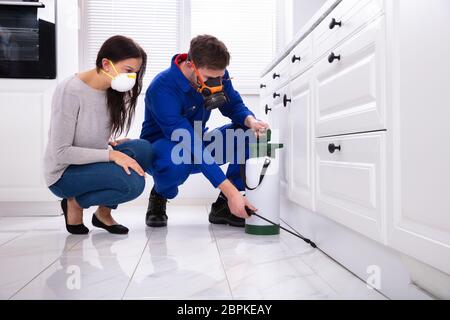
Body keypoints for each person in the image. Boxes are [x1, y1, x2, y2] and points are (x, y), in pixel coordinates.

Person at [140, 34, 270, 228]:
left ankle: (223, 208)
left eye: (221, 77)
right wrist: (230, 190)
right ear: (191, 65)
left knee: (250, 135)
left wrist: (251, 121)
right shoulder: (161, 88)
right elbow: (186, 140)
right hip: (166, 150)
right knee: (178, 158)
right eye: (210, 78)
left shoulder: (217, 73)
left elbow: (233, 105)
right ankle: (160, 193)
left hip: (198, 142)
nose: (218, 82)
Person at [43, 35, 152, 235]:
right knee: (133, 185)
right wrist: (112, 155)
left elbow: (88, 132)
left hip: (90, 162)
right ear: (106, 64)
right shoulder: (70, 91)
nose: (132, 78)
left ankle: (103, 214)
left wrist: (109, 146)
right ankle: (75, 202)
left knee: (144, 149)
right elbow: (61, 152)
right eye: (128, 71)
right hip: (64, 173)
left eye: (135, 73)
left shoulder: (113, 90)